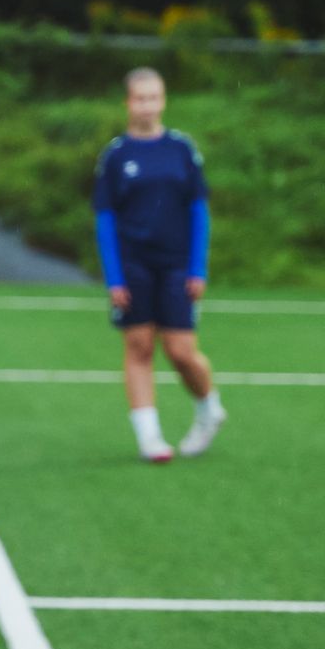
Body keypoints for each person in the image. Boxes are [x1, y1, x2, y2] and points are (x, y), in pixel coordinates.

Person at [92, 66, 227, 462]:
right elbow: (104, 219)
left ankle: (208, 409)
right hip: (133, 264)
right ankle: (150, 437)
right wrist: (114, 277)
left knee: (181, 351)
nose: (148, 105)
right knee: (138, 346)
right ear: (128, 102)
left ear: (163, 100)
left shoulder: (182, 149)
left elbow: (200, 212)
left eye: (154, 97)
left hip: (176, 264)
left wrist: (197, 267)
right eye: (140, 98)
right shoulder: (116, 156)